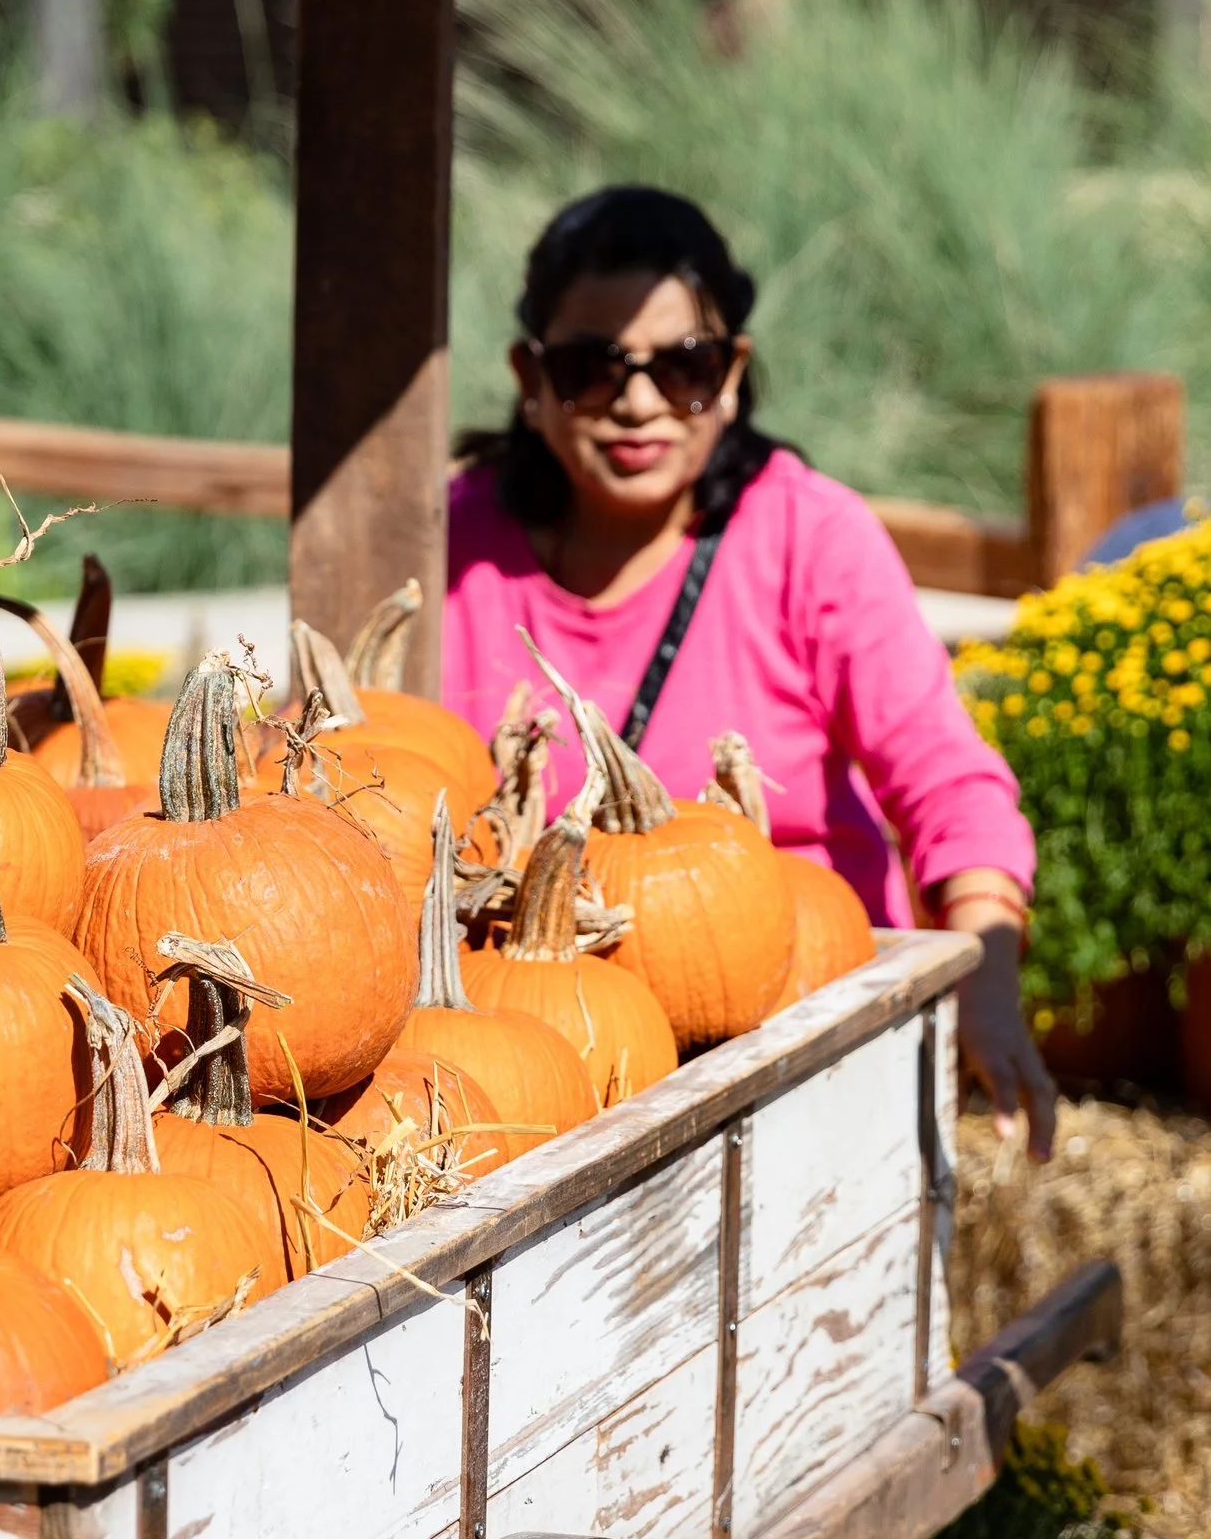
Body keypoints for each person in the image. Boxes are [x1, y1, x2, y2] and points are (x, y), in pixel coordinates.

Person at [444, 183, 1053, 1149]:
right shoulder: (451, 540)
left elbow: (947, 783)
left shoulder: (810, 536)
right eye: (589, 367)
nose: (637, 403)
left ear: (731, 375)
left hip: (804, 1036)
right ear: (530, 373)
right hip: (541, 1066)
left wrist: (987, 970)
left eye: (682, 365)